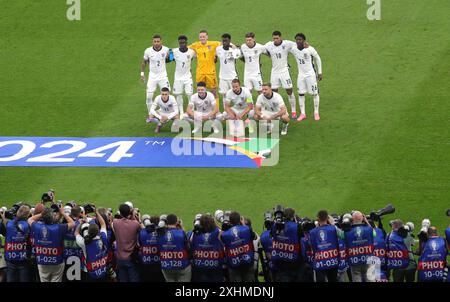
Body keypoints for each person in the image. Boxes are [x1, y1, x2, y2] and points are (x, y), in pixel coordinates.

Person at [28, 206, 75, 282]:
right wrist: (63, 213)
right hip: (56, 261)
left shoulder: (37, 227)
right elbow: (72, 223)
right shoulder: (59, 227)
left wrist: (42, 214)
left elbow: (30, 219)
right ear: (52, 217)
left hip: (42, 261)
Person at [289, 33, 323, 121]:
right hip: (301, 75)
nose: (298, 41)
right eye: (296, 39)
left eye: (300, 39)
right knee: (301, 93)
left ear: (304, 40)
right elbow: (285, 44)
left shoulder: (310, 49)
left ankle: (316, 112)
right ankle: (303, 113)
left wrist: (320, 72)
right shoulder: (293, 49)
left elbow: (318, 59)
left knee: (314, 93)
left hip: (311, 74)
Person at [264, 31, 297, 119]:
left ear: (280, 38)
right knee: (274, 92)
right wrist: (269, 55)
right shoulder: (269, 45)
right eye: (274, 38)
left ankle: (293, 111)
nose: (275, 40)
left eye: (277, 38)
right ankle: (277, 110)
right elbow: (262, 50)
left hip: (284, 71)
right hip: (274, 72)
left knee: (289, 91)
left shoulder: (287, 44)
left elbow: (297, 44)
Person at [140, 34, 171, 119]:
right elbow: (144, 62)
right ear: (152, 42)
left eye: (158, 41)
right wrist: (142, 74)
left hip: (163, 76)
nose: (156, 43)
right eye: (155, 41)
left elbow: (170, 59)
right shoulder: (148, 51)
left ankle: (165, 111)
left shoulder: (166, 49)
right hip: (152, 77)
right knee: (149, 97)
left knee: (167, 95)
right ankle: (151, 114)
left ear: (161, 41)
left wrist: (170, 55)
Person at [270, 208, 305, 282]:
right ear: (293, 216)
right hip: (295, 262)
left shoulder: (275, 226)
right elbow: (303, 240)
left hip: (281, 262)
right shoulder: (297, 226)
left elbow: (272, 235)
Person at [340, 211, 375, 282]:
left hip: (354, 261)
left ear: (352, 219)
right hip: (368, 259)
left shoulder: (347, 232)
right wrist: (366, 221)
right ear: (362, 218)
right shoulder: (369, 229)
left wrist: (346, 225)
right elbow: (374, 233)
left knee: (356, 278)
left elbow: (340, 235)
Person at [220, 211, 256, 282]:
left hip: (234, 265)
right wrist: (243, 224)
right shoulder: (247, 229)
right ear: (240, 220)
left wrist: (223, 228)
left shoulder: (226, 234)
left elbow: (220, 239)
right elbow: (254, 237)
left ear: (230, 221)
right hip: (247, 263)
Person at [189, 30, 221, 105]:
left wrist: (233, 46)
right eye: (200, 37)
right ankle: (201, 106)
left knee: (213, 91)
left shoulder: (213, 44)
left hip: (211, 72)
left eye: (203, 36)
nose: (202, 38)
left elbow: (224, 43)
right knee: (200, 91)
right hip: (200, 72)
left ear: (207, 37)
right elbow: (184, 48)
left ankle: (216, 108)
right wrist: (171, 52)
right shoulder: (195, 45)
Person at [75, 209, 109, 282]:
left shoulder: (84, 242)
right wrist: (96, 212)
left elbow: (76, 233)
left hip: (90, 274)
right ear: (98, 231)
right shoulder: (103, 237)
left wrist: (81, 223)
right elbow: (103, 224)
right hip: (103, 271)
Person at [190, 214, 225, 282]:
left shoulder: (193, 234)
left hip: (199, 267)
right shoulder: (218, 233)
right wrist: (215, 223)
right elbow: (223, 232)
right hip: (216, 266)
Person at [112, 203, 141, 282]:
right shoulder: (135, 224)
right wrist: (133, 214)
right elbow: (139, 226)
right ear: (130, 212)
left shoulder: (115, 222)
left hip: (119, 258)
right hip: (131, 257)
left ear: (120, 213)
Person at [2, 205, 31, 282]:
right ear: (28, 215)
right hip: (23, 259)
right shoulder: (28, 225)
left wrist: (3, 217)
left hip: (10, 258)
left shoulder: (9, 224)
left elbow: (5, 224)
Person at [159, 214, 191, 282]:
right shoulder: (181, 232)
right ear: (177, 222)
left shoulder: (160, 234)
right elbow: (188, 248)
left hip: (166, 265)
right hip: (182, 265)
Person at [309, 210, 339, 282]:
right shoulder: (334, 229)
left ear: (318, 219)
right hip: (333, 261)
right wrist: (333, 224)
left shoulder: (312, 232)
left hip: (320, 262)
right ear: (327, 218)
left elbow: (312, 246)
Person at [172, 35, 196, 116]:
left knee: (189, 94)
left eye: (183, 42)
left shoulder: (191, 52)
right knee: (178, 94)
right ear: (179, 43)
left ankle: (191, 110)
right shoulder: (174, 51)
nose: (182, 44)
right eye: (180, 43)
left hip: (188, 77)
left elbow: (197, 57)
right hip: (178, 77)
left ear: (186, 42)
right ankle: (181, 112)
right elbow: (170, 58)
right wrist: (170, 52)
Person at [215, 33, 241, 103]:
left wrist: (234, 47)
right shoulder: (218, 49)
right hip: (222, 77)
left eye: (226, 41)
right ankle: (226, 111)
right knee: (224, 95)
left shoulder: (234, 50)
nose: (224, 43)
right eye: (223, 41)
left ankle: (238, 109)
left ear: (230, 41)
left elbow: (238, 55)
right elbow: (216, 57)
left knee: (236, 93)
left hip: (232, 77)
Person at [138, 215, 164, 282]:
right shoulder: (162, 233)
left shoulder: (143, 232)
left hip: (146, 263)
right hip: (159, 264)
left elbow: (140, 244)